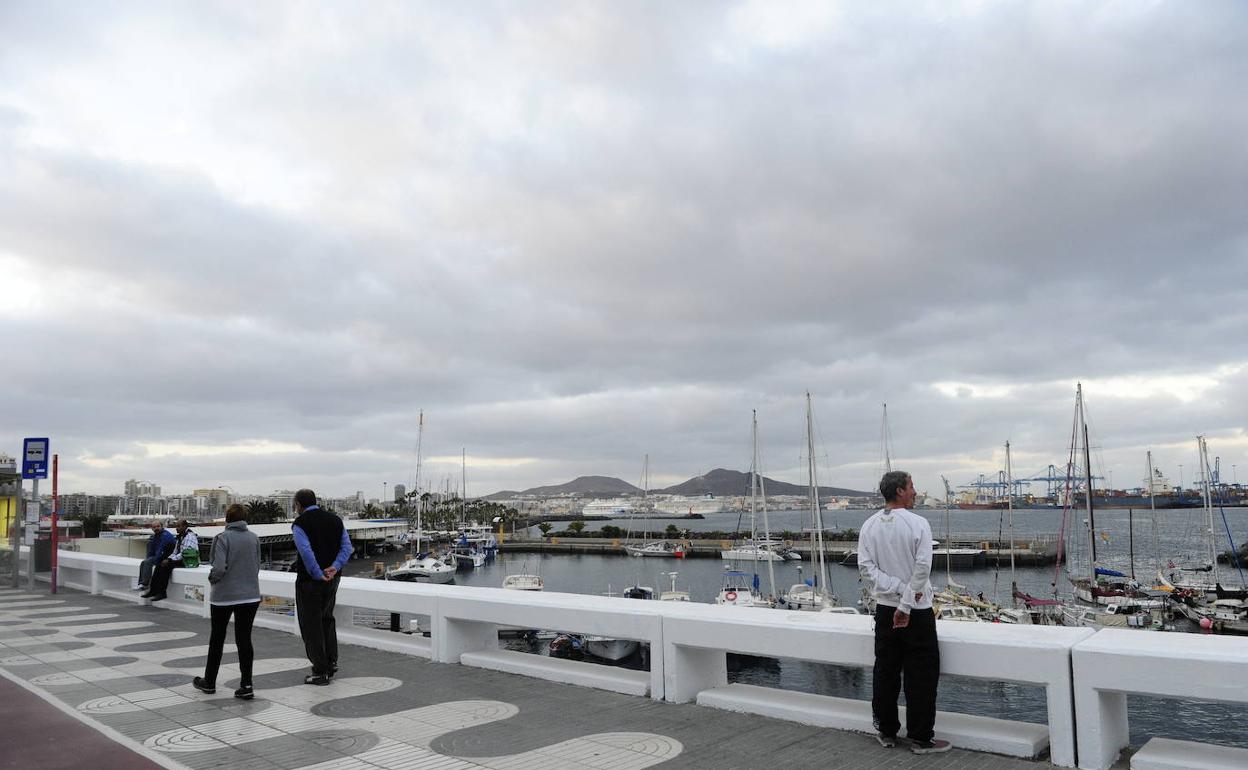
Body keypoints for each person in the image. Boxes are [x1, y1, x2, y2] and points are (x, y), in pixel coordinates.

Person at [858, 470, 950, 755]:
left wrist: (896, 592)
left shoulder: (869, 525)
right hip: (917, 611)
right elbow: (922, 568)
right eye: (911, 486)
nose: (915, 491)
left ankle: (886, 731)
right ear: (899, 490)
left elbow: (866, 569)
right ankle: (921, 738)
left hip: (885, 610)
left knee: (885, 671)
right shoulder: (918, 524)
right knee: (921, 674)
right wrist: (907, 601)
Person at [192, 504, 261, 699]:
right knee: (244, 640)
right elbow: (256, 565)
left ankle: (209, 682)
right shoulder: (254, 538)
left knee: (217, 638)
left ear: (227, 519)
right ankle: (246, 685)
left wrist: (212, 578)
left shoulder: (222, 538)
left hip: (224, 596)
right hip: (250, 595)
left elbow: (219, 567)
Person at [292, 489, 352, 685]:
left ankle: (320, 670)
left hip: (310, 582)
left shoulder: (300, 524)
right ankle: (331, 661)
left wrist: (318, 573)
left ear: (299, 505)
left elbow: (306, 552)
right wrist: (334, 567)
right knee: (327, 619)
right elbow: (347, 548)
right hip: (333, 578)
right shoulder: (336, 520)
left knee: (311, 625)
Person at [144, 519, 199, 601]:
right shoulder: (181, 536)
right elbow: (175, 552)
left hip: (188, 561)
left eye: (178, 526)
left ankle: (162, 593)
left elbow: (185, 553)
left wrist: (169, 560)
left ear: (185, 526)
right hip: (182, 559)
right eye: (176, 526)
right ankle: (153, 590)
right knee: (160, 564)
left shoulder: (189, 536)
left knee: (166, 566)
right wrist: (168, 558)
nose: (176, 528)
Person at [135, 520, 176, 591]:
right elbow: (151, 551)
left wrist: (152, 559)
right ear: (152, 529)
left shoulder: (165, 536)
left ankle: (145, 584)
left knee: (147, 562)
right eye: (154, 527)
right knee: (144, 562)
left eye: (158, 526)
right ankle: (141, 584)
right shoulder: (156, 536)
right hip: (160, 556)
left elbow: (160, 550)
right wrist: (149, 558)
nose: (156, 528)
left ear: (162, 527)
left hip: (167, 557)